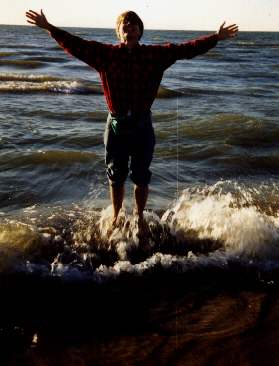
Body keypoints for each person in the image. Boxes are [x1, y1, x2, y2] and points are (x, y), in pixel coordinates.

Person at [25, 9, 238, 226]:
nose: (130, 26)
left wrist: (215, 38)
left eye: (134, 24)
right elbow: (76, 45)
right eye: (125, 24)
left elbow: (185, 49)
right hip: (115, 125)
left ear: (140, 31)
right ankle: (117, 216)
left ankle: (139, 216)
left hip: (142, 125)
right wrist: (49, 28)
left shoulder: (154, 56)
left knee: (141, 175)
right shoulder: (106, 55)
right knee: (116, 176)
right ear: (118, 32)